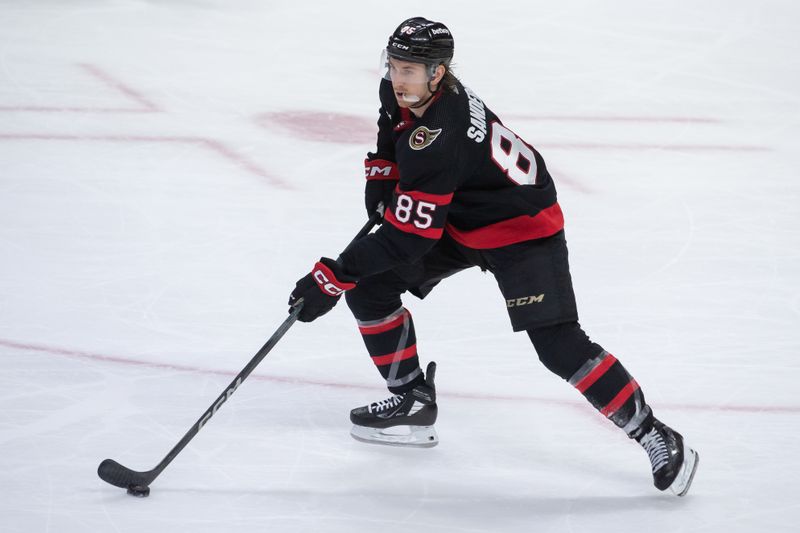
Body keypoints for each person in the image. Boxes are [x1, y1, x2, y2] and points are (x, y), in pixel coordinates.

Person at [288, 16, 699, 496]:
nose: (398, 79)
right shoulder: (405, 93)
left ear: (438, 72)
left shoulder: (441, 135)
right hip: (460, 216)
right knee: (372, 286)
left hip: (521, 230)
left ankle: (655, 434)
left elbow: (410, 240)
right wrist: (381, 183)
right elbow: (390, 131)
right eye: (394, 66)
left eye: (410, 70)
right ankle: (411, 399)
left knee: (558, 345)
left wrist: (332, 277)